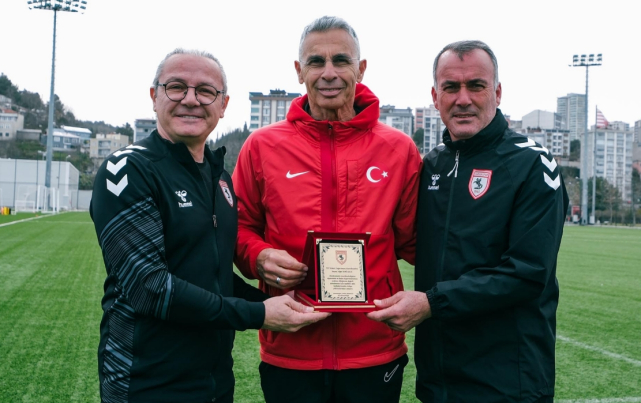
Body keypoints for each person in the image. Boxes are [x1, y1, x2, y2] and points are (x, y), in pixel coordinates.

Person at [90, 48, 329, 403]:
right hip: (147, 382)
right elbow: (149, 287)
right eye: (176, 87)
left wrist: (278, 300)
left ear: (223, 104)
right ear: (154, 96)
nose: (191, 99)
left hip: (214, 381)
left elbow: (211, 274)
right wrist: (259, 313)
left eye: (205, 91)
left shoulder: (219, 180)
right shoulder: (127, 169)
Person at [232, 16, 422, 403]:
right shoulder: (262, 146)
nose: (329, 73)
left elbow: (416, 242)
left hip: (374, 344)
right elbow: (237, 228)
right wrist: (258, 256)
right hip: (290, 344)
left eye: (341, 60)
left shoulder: (399, 149)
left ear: (361, 68)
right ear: (299, 70)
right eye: (316, 61)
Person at [368, 40, 569, 402]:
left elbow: (527, 273)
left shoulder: (532, 165)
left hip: (507, 383)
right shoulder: (432, 164)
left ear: (497, 92)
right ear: (435, 96)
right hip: (438, 380)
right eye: (450, 87)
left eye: (476, 86)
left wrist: (431, 303)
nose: (463, 99)